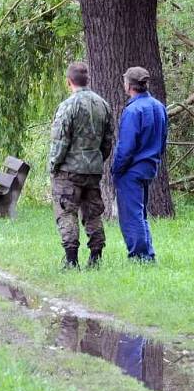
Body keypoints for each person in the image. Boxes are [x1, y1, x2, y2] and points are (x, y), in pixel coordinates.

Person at [49, 62, 114, 269]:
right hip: (93, 171)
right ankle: (96, 258)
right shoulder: (103, 104)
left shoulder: (68, 106)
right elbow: (107, 141)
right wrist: (97, 160)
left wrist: (54, 165)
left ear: (69, 81)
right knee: (93, 213)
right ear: (88, 80)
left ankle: (71, 260)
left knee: (67, 212)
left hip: (68, 171)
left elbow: (60, 141)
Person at [111, 66, 168, 262]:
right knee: (140, 213)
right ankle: (147, 253)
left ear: (128, 85)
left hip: (131, 170)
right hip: (150, 167)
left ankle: (140, 256)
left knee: (131, 216)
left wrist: (116, 170)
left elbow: (126, 147)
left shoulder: (133, 110)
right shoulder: (159, 106)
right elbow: (163, 141)